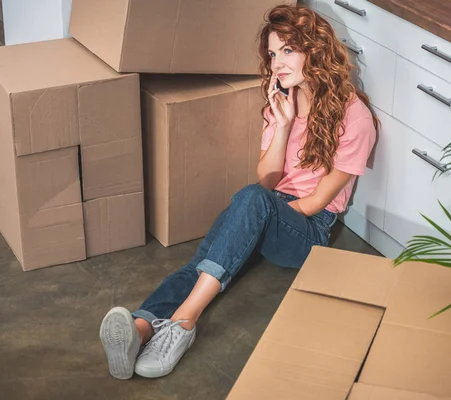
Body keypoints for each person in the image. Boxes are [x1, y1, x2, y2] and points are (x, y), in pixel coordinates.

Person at [98, 4, 378, 380]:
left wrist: (261, 213)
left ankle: (183, 323)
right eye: (273, 54)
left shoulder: (354, 115)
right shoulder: (282, 101)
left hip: (309, 231)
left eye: (288, 51)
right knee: (205, 262)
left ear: (315, 49)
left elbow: (315, 203)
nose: (277, 63)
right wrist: (282, 126)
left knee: (249, 201)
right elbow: (267, 178)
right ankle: (140, 328)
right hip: (268, 205)